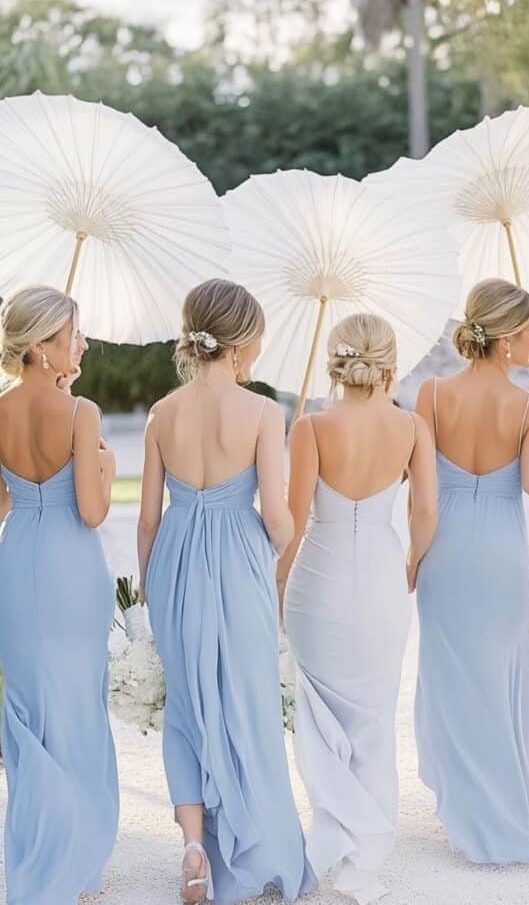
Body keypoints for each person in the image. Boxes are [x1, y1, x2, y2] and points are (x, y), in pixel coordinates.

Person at [139, 278, 313, 905]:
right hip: (239, 565)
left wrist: (151, 593)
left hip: (176, 564)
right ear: (241, 343)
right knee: (247, 703)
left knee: (187, 707)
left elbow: (149, 520)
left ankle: (193, 846)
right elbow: (275, 516)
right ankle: (258, 849)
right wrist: (294, 531)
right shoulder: (265, 413)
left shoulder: (163, 413)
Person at [280, 312, 437, 905]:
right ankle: (365, 858)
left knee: (319, 718)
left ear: (336, 363)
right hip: (380, 577)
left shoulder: (310, 427)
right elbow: (425, 514)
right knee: (373, 714)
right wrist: (414, 563)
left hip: (317, 581)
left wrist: (275, 587)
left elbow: (293, 523)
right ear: (390, 365)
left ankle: (332, 839)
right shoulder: (413, 427)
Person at [414, 277, 529, 865]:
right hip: (501, 552)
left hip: (446, 551)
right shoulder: (528, 401)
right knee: (503, 682)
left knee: (454, 684)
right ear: (505, 340)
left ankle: (470, 811)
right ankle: (510, 812)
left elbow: (419, 494)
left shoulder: (430, 394)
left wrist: (412, 556)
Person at [0, 285, 118, 905]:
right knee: (74, 705)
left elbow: (1, 506)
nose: (82, 343)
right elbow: (94, 512)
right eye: (73, 334)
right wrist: (105, 467)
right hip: (72, 564)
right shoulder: (82, 413)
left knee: (28, 708)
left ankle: (38, 846)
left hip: (17, 560)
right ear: (43, 345)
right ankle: (76, 860)